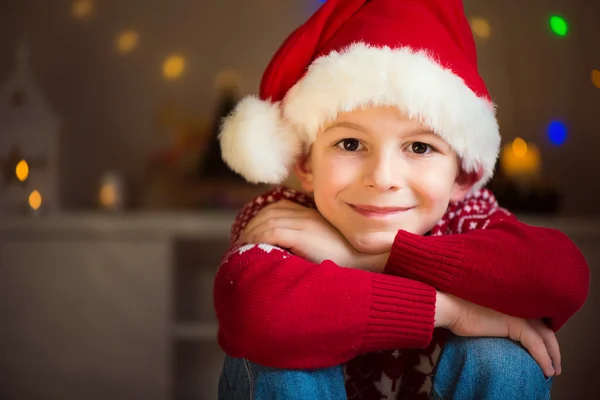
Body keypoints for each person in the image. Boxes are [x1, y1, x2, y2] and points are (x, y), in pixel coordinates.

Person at [213, 0, 590, 398]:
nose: (382, 178)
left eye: (420, 148)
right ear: (306, 164)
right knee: (272, 351)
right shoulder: (285, 217)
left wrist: (367, 258)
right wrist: (454, 311)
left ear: (461, 175)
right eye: (351, 143)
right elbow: (251, 307)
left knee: (502, 358)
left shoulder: (468, 217)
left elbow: (564, 277)